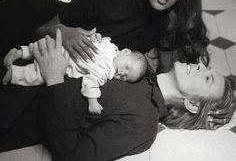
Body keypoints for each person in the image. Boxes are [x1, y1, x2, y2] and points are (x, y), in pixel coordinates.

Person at [0, 0, 232, 136]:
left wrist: (210, 108)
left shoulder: (166, 25)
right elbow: (41, 28)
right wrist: (65, 32)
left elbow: (168, 79)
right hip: (22, 18)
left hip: (48, 58)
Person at [0, 30, 234, 161]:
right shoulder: (142, 67)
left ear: (192, 104)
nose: (201, 67)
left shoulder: (143, 124)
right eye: (207, 69)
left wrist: (54, 79)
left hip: (13, 105)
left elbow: (73, 154)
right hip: (17, 55)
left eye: (207, 78)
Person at [2, 36, 148, 114]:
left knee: (41, 49)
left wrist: (94, 37)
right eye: (126, 67)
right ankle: (15, 73)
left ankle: (19, 53)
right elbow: (90, 82)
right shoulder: (105, 69)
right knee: (38, 75)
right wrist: (93, 102)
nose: (122, 73)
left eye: (125, 77)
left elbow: (96, 39)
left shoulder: (108, 44)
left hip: (62, 48)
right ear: (125, 51)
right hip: (63, 61)